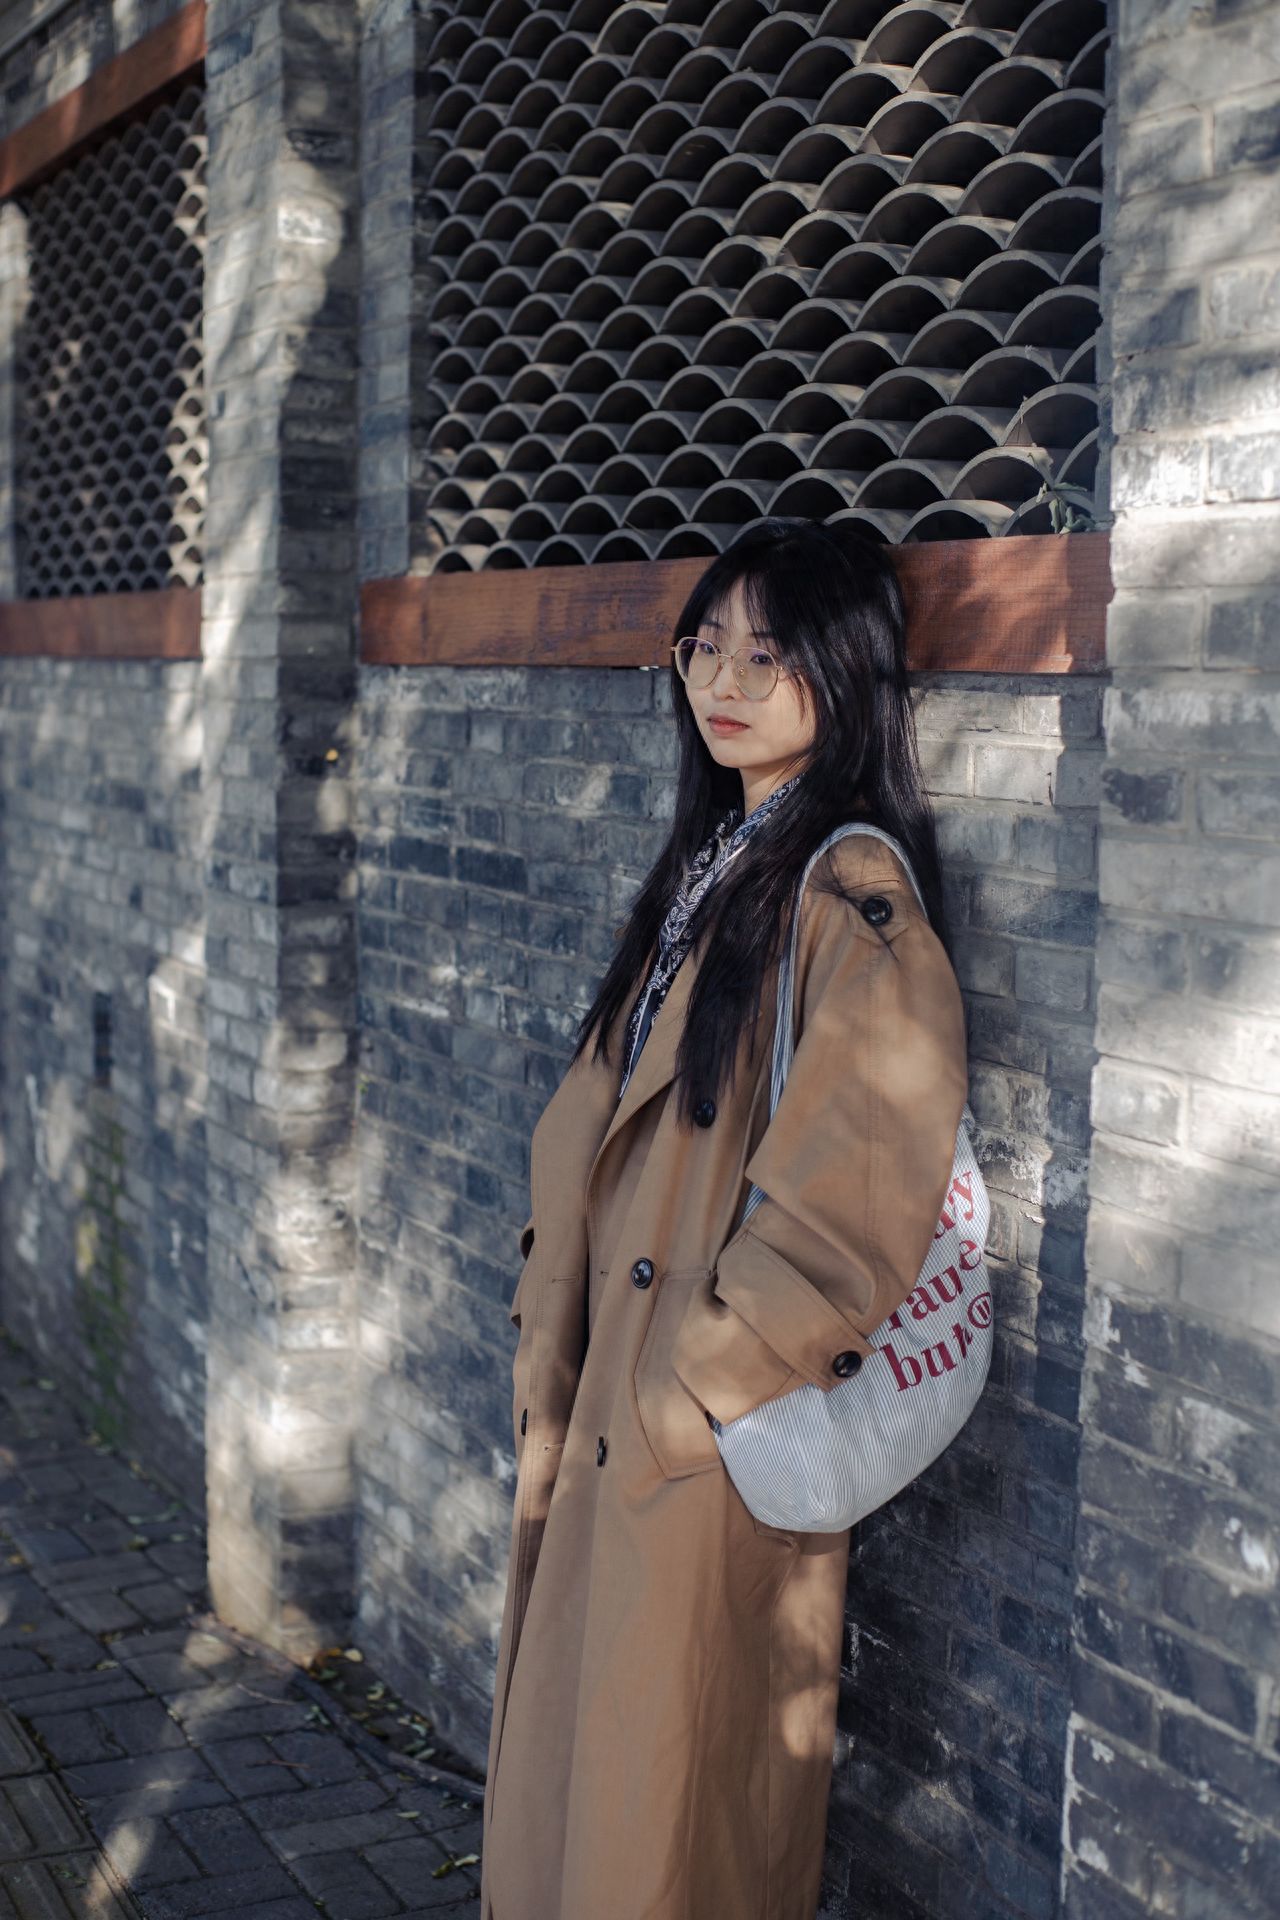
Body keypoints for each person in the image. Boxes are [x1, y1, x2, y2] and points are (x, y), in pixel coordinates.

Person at [479, 517, 969, 1920]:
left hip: (694, 1447)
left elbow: (853, 1202)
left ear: (846, 668)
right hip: (614, 1426)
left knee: (666, 1830)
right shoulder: (719, 861)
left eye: (769, 650)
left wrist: (689, 1385)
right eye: (706, 645)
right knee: (601, 1809)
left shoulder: (847, 894)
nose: (724, 679)